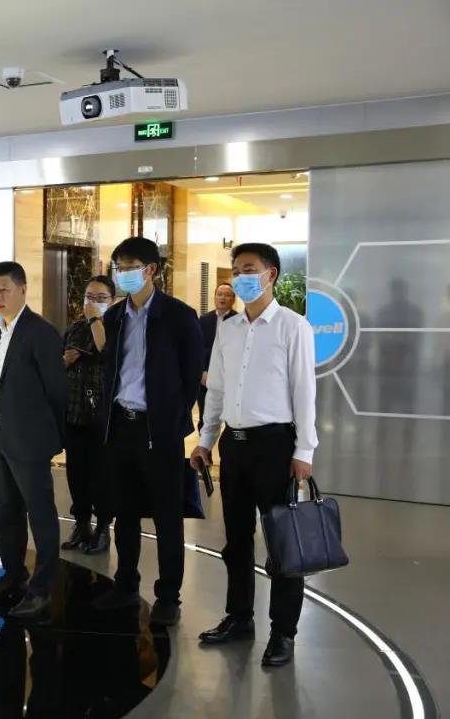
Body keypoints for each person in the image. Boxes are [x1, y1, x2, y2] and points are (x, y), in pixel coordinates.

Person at [192, 242, 317, 668]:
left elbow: (305, 392)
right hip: (235, 445)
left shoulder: (293, 327)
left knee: (282, 544)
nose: (241, 277)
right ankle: (239, 617)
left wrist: (304, 450)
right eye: (237, 270)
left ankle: (283, 632)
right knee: (236, 540)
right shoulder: (227, 328)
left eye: (249, 269)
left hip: (275, 447)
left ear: (271, 275)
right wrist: (206, 439)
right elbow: (216, 390)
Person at [92, 237, 202, 628]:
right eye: (118, 267)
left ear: (151, 269)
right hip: (121, 426)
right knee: (124, 512)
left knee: (167, 516)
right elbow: (110, 369)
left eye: (129, 267)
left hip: (160, 432)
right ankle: (126, 583)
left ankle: (168, 595)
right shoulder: (114, 316)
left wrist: (172, 419)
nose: (122, 274)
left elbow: (191, 377)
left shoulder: (179, 316)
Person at [0, 261, 66, 621]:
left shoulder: (40, 332)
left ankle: (41, 589)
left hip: (31, 439)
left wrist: (49, 438)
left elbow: (57, 392)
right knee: (7, 511)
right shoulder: (1, 329)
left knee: (40, 515)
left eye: (4, 290)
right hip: (1, 434)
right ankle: (13, 576)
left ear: (23, 289)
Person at [61, 275, 114, 555]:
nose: (92, 303)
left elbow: (107, 351)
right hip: (75, 412)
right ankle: (81, 524)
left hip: (102, 416)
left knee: (101, 475)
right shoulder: (74, 329)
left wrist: (96, 320)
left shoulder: (115, 327)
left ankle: (103, 528)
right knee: (76, 473)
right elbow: (57, 364)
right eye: (88, 297)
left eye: (100, 298)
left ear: (112, 301)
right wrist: (64, 361)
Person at [197, 283, 238, 430]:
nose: (223, 298)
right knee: (205, 419)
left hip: (230, 378)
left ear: (233, 299)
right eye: (220, 294)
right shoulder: (204, 320)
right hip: (206, 377)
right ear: (214, 297)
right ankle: (204, 444)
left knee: (231, 420)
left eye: (227, 295)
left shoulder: (239, 321)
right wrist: (202, 371)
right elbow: (198, 349)